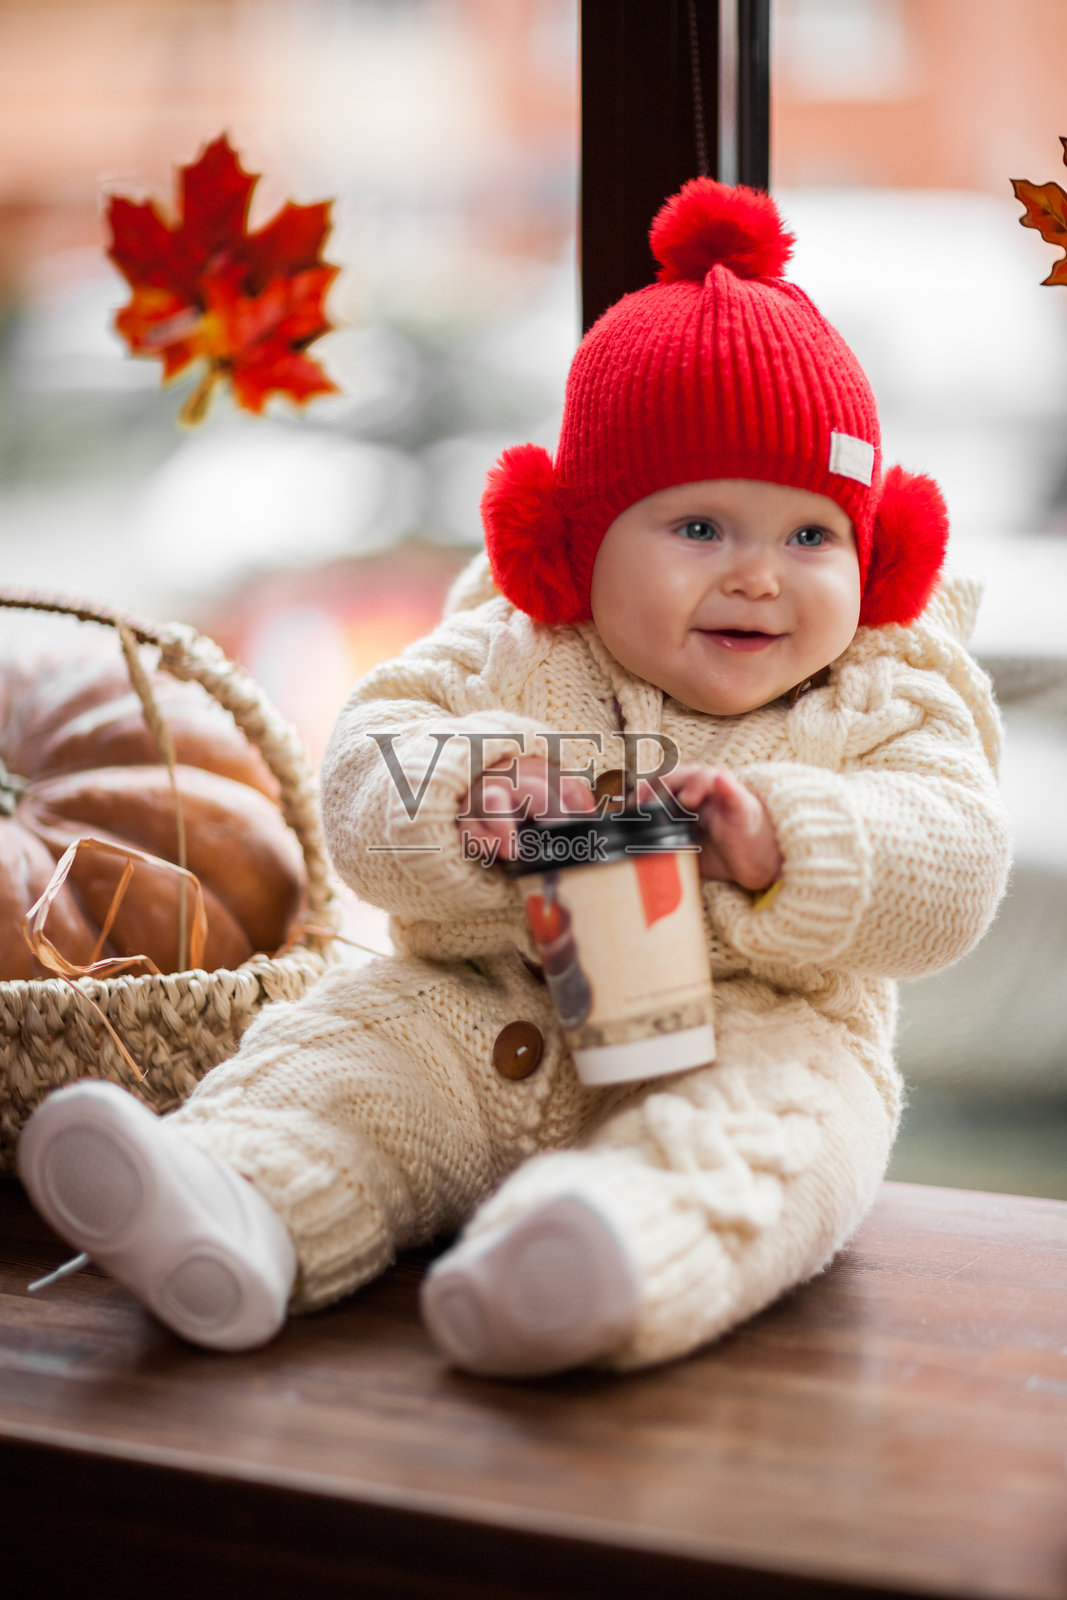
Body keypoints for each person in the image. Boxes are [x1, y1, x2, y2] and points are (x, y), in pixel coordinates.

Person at [17, 179, 1010, 1377]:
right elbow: (366, 760)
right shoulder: (510, 647)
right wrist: (467, 793)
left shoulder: (888, 691)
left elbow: (951, 855)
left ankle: (597, 1257)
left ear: (876, 553)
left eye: (809, 536)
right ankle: (230, 1197)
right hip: (481, 1010)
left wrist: (788, 842)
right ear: (575, 543)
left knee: (774, 1136)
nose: (758, 575)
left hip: (760, 1031)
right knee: (350, 1058)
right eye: (699, 528)